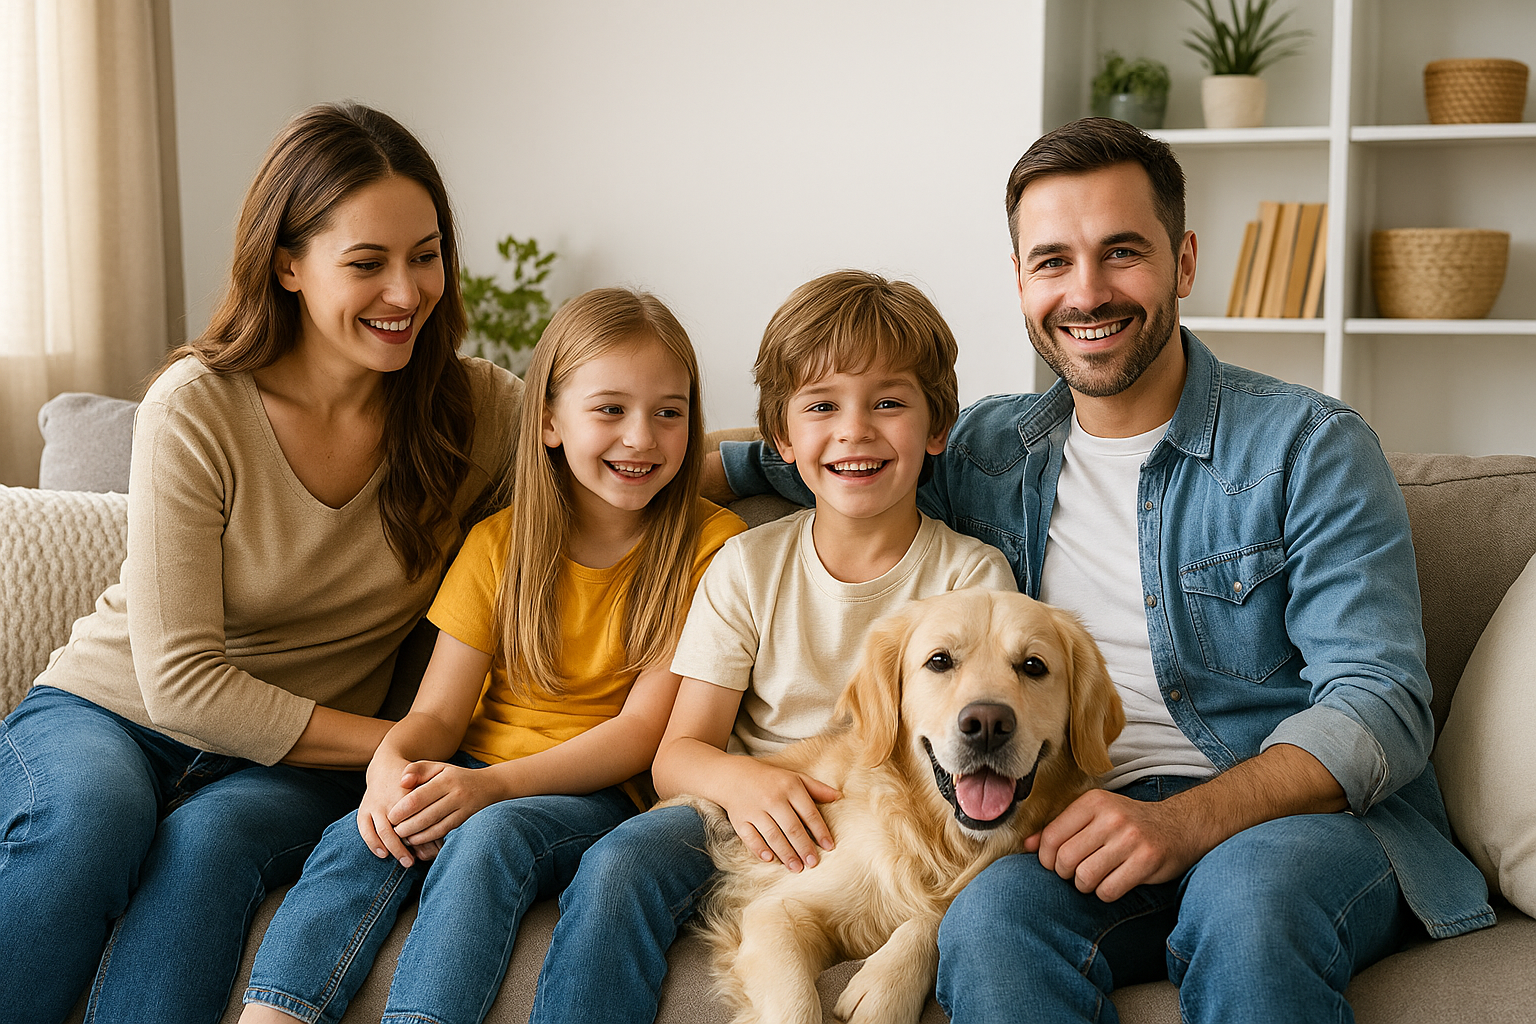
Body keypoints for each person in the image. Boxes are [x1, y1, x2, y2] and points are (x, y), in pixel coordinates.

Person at [711, 119, 1495, 1023]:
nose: (1086, 292)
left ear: (1184, 262)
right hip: (1074, 819)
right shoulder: (991, 449)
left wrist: (1182, 822)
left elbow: (1380, 703)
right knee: (990, 922)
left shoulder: (1308, 447)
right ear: (1018, 281)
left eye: (1121, 252)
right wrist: (635, 455)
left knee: (1246, 908)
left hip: (1296, 826)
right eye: (1051, 261)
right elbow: (811, 450)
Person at [0, 102, 526, 1024]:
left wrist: (799, 456)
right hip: (113, 711)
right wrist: (403, 748)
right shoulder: (198, 405)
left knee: (211, 845)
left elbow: (622, 447)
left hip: (284, 767)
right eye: (367, 263)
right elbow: (180, 685)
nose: (407, 291)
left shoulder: (477, 410)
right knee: (88, 823)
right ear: (287, 263)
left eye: (426, 253)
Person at [239, 287, 745, 1024]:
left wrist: (492, 789)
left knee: (488, 839)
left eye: (668, 412)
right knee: (362, 834)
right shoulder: (498, 545)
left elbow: (641, 736)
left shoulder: (710, 548)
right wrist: (391, 769)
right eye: (610, 410)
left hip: (599, 791)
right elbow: (438, 713)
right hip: (479, 768)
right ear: (547, 421)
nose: (641, 436)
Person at [529, 269, 1019, 1024]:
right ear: (782, 438)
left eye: (888, 402)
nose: (855, 430)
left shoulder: (971, 575)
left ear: (936, 427)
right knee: (619, 863)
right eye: (822, 406)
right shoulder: (747, 564)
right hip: (745, 809)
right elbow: (676, 756)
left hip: (899, 819)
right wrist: (742, 784)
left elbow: (974, 759)